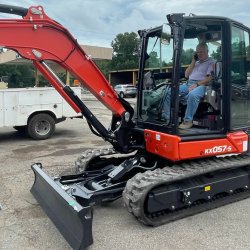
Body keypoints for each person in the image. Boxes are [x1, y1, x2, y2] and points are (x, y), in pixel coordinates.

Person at [163, 42, 216, 129]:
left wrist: (197, 84)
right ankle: (168, 117)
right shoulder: (196, 63)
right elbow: (186, 75)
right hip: (189, 84)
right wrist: (193, 60)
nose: (199, 54)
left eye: (201, 52)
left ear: (207, 51)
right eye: (197, 52)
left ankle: (188, 120)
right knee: (170, 92)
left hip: (203, 85)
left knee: (193, 94)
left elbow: (210, 78)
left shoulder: (211, 62)